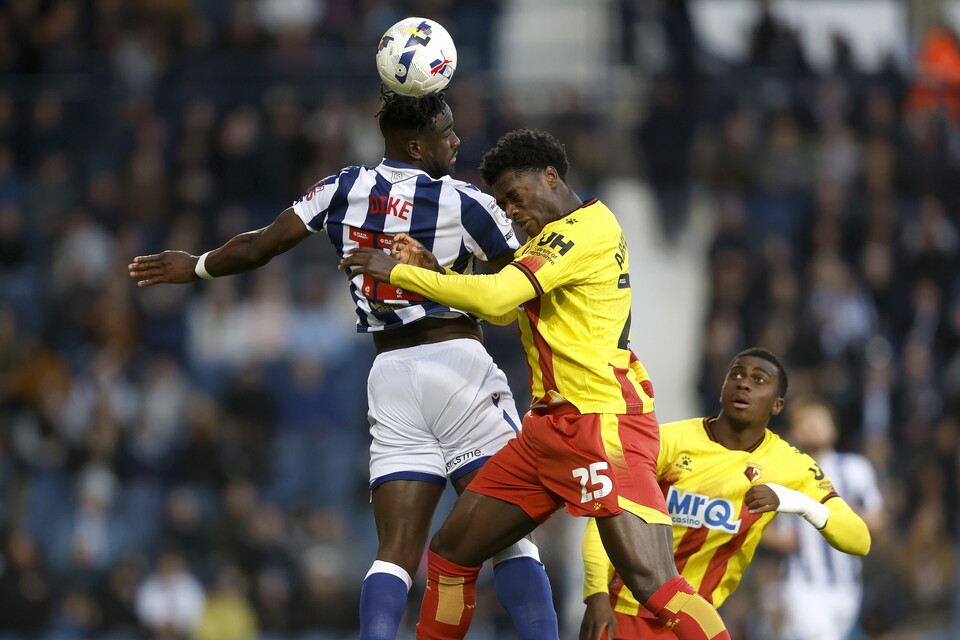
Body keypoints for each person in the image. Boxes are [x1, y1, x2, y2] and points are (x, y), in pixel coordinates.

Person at [127, 91, 558, 640]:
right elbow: (520, 290)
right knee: (511, 542)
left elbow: (262, 244)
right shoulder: (464, 201)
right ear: (416, 144)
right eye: (447, 132)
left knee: (395, 554)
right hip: (458, 369)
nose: (456, 140)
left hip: (390, 377)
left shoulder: (341, 189)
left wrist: (200, 267)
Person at [341, 128, 731, 640]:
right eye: (501, 201)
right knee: (451, 552)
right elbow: (507, 310)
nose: (509, 211)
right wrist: (436, 269)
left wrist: (402, 274)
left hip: (602, 424)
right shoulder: (548, 242)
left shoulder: (585, 228)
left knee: (653, 582)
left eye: (514, 196)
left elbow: (500, 299)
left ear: (550, 176)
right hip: (548, 430)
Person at [578, 349, 873, 639]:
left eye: (759, 380)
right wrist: (596, 595)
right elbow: (606, 515)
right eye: (736, 374)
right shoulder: (666, 440)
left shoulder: (791, 466)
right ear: (722, 388)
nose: (744, 383)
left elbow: (859, 540)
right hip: (625, 610)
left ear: (777, 405)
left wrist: (795, 503)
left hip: (696, 619)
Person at [762, 395, 884, 640]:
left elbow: (878, 521)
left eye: (818, 419)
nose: (812, 425)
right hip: (803, 583)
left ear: (834, 429)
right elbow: (754, 522)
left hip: (848, 584)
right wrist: (782, 539)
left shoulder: (855, 468)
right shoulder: (783, 474)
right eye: (804, 421)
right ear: (795, 431)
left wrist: (846, 517)